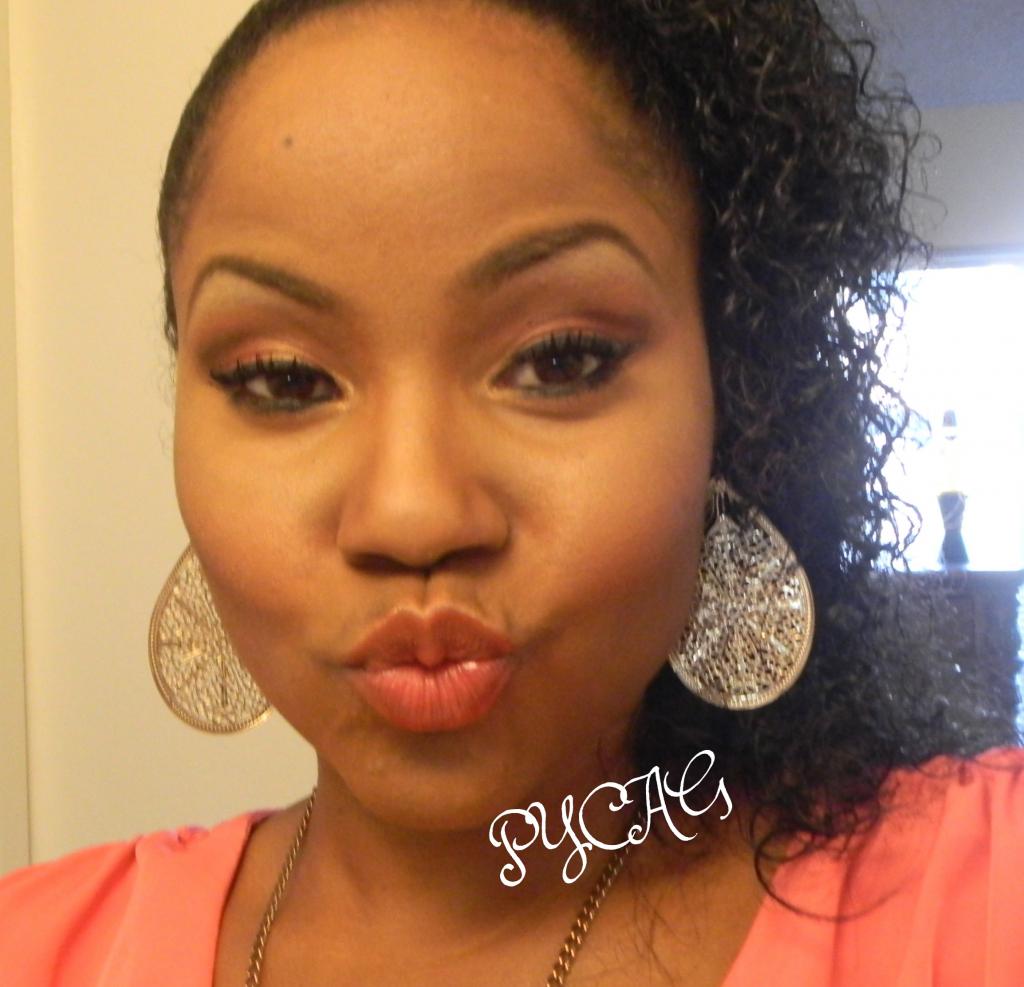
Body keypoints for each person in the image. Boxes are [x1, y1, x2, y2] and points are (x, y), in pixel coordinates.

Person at [2, 0, 1022, 984]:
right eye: (284, 380)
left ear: (732, 402)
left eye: (559, 360)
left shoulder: (987, 899)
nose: (412, 515)